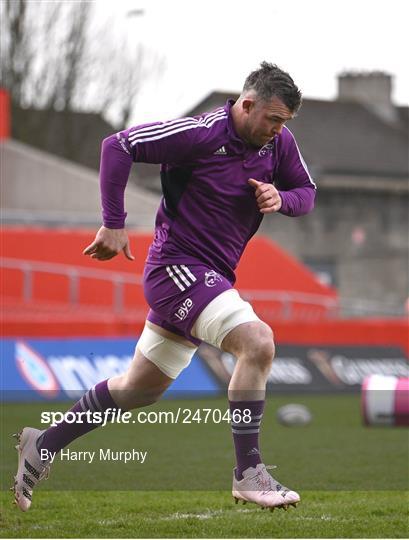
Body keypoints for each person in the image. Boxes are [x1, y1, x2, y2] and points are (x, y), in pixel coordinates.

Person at [13, 62, 316, 512]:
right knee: (258, 343)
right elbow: (118, 145)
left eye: (284, 122)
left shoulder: (278, 144)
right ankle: (248, 473)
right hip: (176, 270)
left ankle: (43, 443)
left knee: (139, 389)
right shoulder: (200, 134)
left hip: (209, 279)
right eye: (272, 119)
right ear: (247, 105)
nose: (277, 129)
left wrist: (282, 198)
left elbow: (305, 192)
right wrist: (113, 224)